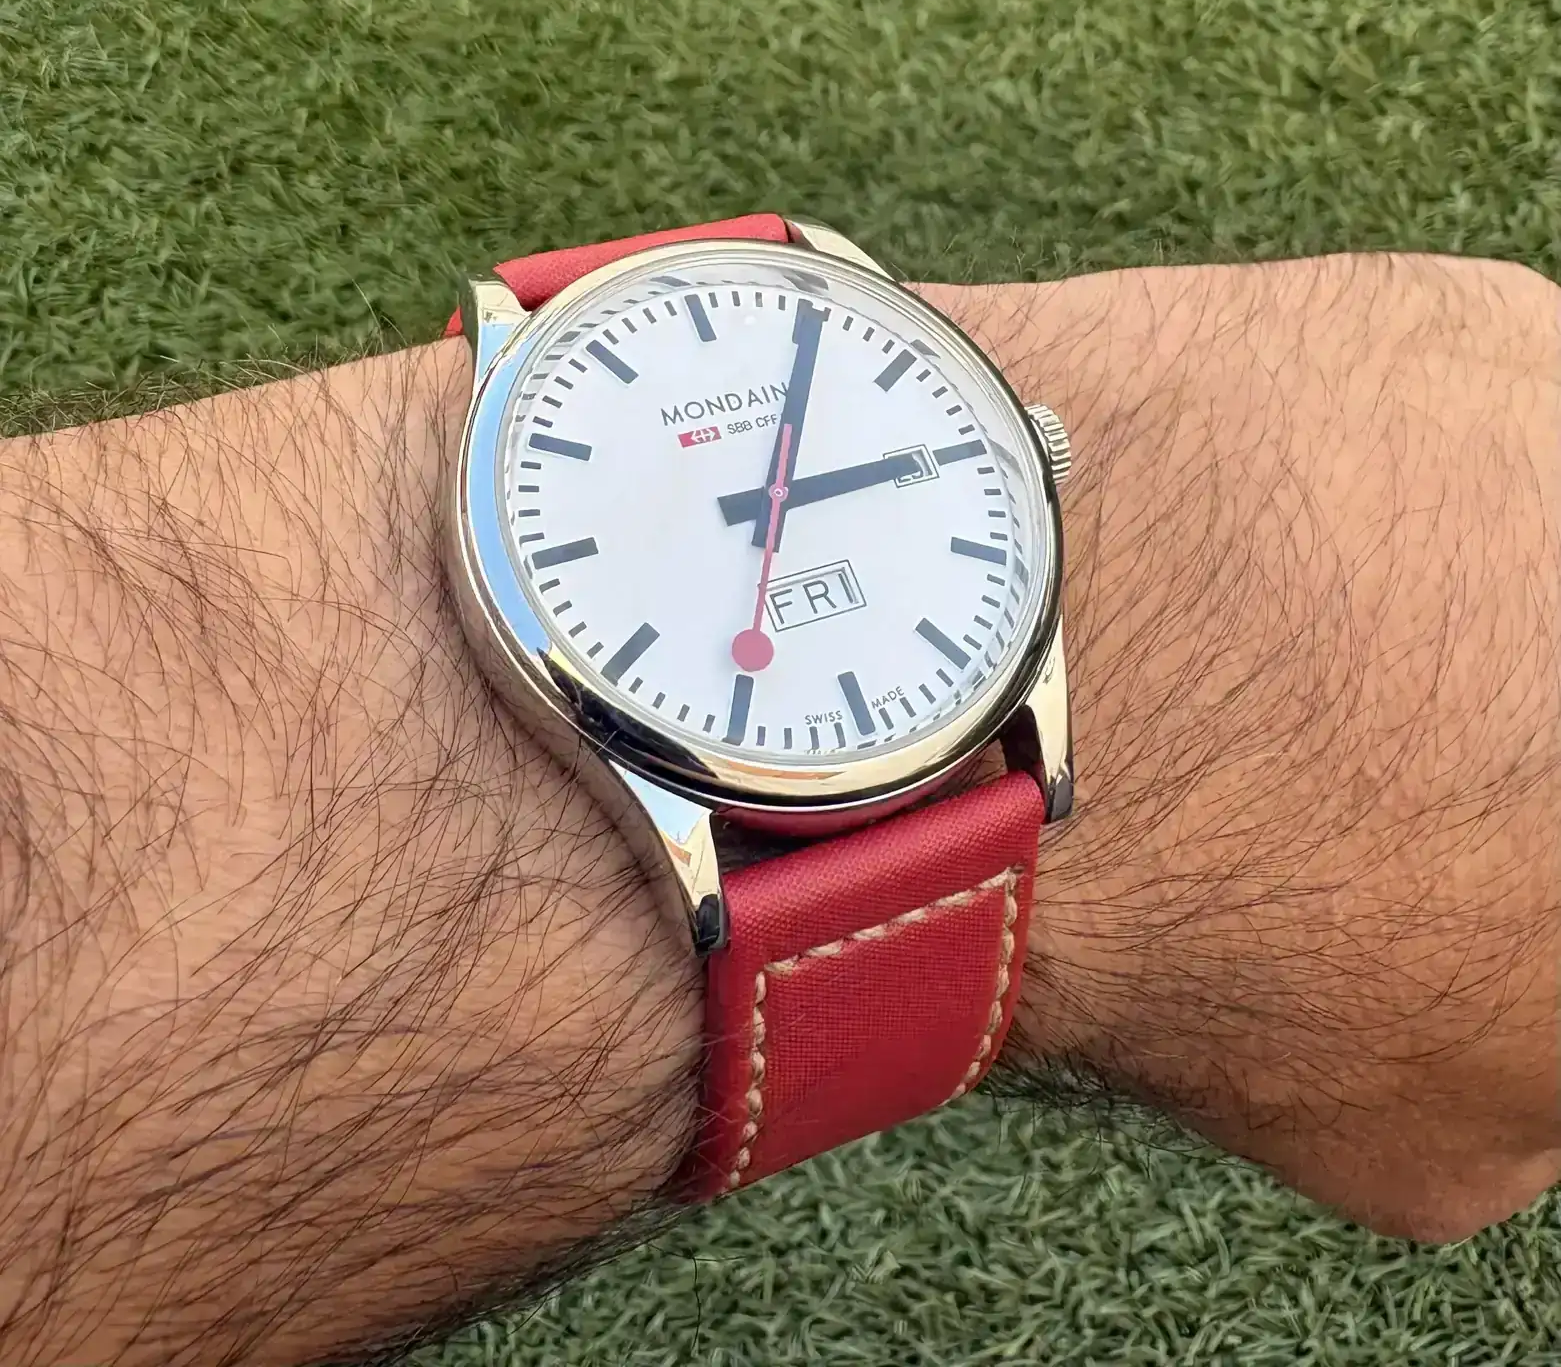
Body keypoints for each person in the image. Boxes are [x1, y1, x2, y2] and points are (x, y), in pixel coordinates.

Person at [0, 250, 1555, 1367]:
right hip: (689, 778)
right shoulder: (533, 481)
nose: (771, 504)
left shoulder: (950, 492)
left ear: (1034, 456)